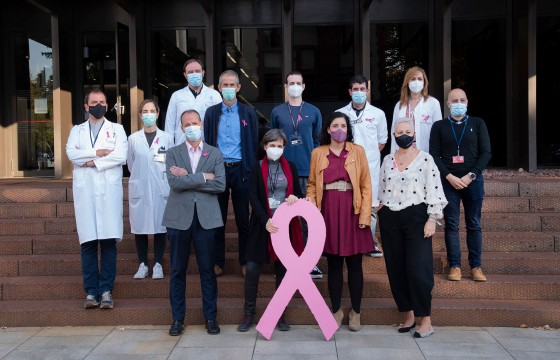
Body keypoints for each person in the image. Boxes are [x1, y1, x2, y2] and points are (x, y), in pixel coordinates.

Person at [378, 118, 448, 339]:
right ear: (393, 135)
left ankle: (425, 319)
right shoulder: (387, 159)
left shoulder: (425, 159)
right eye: (400, 132)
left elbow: (435, 189)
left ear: (415, 134)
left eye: (408, 131)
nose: (404, 135)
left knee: (419, 269)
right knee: (396, 268)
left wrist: (432, 219)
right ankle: (408, 314)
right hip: (390, 217)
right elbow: (381, 189)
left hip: (417, 216)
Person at [306, 111, 374, 332]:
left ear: (348, 129)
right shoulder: (318, 153)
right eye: (335, 125)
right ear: (327, 129)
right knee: (334, 264)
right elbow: (312, 185)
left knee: (355, 265)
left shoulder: (357, 151)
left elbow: (365, 185)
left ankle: (356, 312)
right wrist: (312, 208)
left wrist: (365, 215)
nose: (339, 130)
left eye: (343, 126)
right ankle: (336, 310)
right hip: (328, 211)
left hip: (353, 211)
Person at [162, 109, 226, 336]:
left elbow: (220, 185)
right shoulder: (172, 153)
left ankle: (211, 317)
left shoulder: (214, 153)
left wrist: (188, 177)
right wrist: (202, 176)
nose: (191, 127)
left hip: (206, 219)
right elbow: (174, 184)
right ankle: (177, 319)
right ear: (181, 128)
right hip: (179, 219)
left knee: (207, 271)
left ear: (201, 124)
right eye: (187, 124)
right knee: (178, 270)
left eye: (195, 123)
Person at [65, 88, 128, 309]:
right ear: (86, 106)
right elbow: (71, 154)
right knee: (89, 243)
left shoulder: (117, 129)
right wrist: (97, 152)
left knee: (109, 243)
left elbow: (120, 155)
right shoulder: (77, 130)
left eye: (101, 101)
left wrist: (90, 160)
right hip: (86, 193)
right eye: (94, 102)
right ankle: (91, 292)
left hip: (108, 193)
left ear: (107, 105)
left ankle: (106, 290)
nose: (98, 105)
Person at [237, 129, 304, 333]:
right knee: (252, 269)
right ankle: (249, 314)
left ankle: (280, 314)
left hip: (285, 225)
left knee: (282, 272)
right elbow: (253, 196)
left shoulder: (290, 167)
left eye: (280, 146)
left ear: (284, 148)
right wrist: (265, 220)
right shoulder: (257, 167)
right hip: (261, 224)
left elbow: (297, 194)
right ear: (265, 146)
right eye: (272, 145)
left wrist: (293, 197)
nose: (276, 149)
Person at [429, 88, 492, 282]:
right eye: (454, 100)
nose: (458, 103)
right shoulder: (439, 126)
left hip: (472, 181)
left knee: (474, 224)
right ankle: (454, 266)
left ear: (467, 102)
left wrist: (471, 175)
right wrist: (448, 176)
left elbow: (486, 152)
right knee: (452, 224)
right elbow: (434, 154)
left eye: (462, 100)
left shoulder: (477, 123)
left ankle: (476, 266)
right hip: (449, 182)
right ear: (448, 104)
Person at [204, 70, 259, 277]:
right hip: (218, 172)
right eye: (224, 85)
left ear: (238, 88)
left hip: (241, 171)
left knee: (243, 219)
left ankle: (245, 261)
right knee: (218, 220)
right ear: (219, 88)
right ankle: (218, 262)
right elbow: (207, 143)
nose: (228, 89)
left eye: (232, 85)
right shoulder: (211, 113)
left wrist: (251, 171)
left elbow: (253, 144)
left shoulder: (247, 113)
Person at [269, 70, 323, 279]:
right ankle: (287, 259)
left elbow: (317, 141)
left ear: (303, 86)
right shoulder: (277, 112)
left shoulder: (314, 111)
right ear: (285, 86)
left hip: (307, 171)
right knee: (284, 217)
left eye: (298, 83)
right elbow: (273, 139)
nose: (294, 86)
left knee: (308, 219)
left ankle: (311, 262)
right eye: (290, 83)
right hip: (284, 171)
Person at [337, 75, 388, 258]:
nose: (359, 93)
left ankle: (370, 241)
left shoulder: (378, 114)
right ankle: (350, 239)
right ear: (350, 92)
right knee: (348, 202)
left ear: (367, 91)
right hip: (346, 165)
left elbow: (382, 141)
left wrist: (367, 156)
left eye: (362, 89)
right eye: (355, 90)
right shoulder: (340, 113)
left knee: (370, 204)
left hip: (370, 165)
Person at [127, 99, 173, 280]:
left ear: (158, 113)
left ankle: (158, 264)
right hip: (140, 186)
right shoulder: (133, 139)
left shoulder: (167, 138)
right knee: (140, 227)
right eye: (145, 111)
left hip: (161, 187)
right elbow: (131, 164)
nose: (148, 115)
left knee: (161, 227)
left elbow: (169, 163)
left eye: (152, 111)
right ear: (140, 115)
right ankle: (143, 264)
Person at [165, 59, 222, 145]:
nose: (194, 74)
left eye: (197, 71)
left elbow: (221, 124)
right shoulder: (176, 96)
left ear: (203, 73)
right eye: (191, 72)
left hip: (207, 148)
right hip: (181, 148)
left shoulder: (214, 95)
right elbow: (169, 125)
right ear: (185, 75)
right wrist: (170, 150)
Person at [390, 66, 442, 154]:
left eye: (419, 79)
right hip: (403, 154)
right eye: (413, 79)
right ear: (407, 82)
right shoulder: (399, 105)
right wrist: (393, 156)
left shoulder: (433, 103)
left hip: (425, 153)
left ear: (424, 82)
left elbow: (438, 132)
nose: (416, 82)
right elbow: (394, 132)